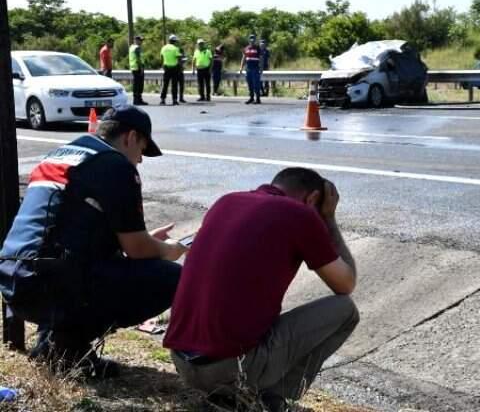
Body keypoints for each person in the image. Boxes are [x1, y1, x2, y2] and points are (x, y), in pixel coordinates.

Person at [0, 105, 187, 378]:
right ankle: (68, 348)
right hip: (49, 284)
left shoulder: (63, 155)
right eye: (142, 150)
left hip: (13, 283)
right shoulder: (116, 166)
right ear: (131, 137)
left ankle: (54, 340)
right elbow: (137, 250)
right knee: (171, 277)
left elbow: (71, 228)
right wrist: (166, 250)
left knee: (88, 266)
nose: (140, 160)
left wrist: (146, 241)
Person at [164, 168, 359, 412]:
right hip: (230, 369)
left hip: (183, 362)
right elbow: (346, 283)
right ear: (311, 199)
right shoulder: (300, 214)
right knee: (345, 310)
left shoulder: (225, 202)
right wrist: (328, 219)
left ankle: (240, 394)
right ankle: (270, 400)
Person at [239, 34, 262, 104]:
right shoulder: (246, 48)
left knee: (256, 84)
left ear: (255, 40)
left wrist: (261, 68)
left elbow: (261, 58)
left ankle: (258, 99)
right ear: (249, 39)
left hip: (255, 68)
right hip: (248, 69)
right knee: (250, 84)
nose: (252, 40)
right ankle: (251, 98)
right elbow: (243, 58)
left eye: (253, 38)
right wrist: (241, 68)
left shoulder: (258, 48)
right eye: (251, 38)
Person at [160, 34, 181, 106]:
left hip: (166, 67)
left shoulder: (164, 48)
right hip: (174, 68)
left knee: (165, 84)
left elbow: (162, 57)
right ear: (174, 41)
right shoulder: (175, 48)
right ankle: (174, 100)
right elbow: (178, 58)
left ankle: (162, 100)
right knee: (174, 85)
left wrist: (163, 64)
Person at [129, 35, 148, 105]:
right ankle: (137, 100)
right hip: (138, 68)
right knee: (139, 85)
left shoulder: (131, 47)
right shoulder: (137, 48)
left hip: (134, 68)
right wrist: (141, 68)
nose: (141, 42)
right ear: (136, 40)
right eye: (140, 40)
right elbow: (138, 59)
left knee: (136, 84)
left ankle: (137, 99)